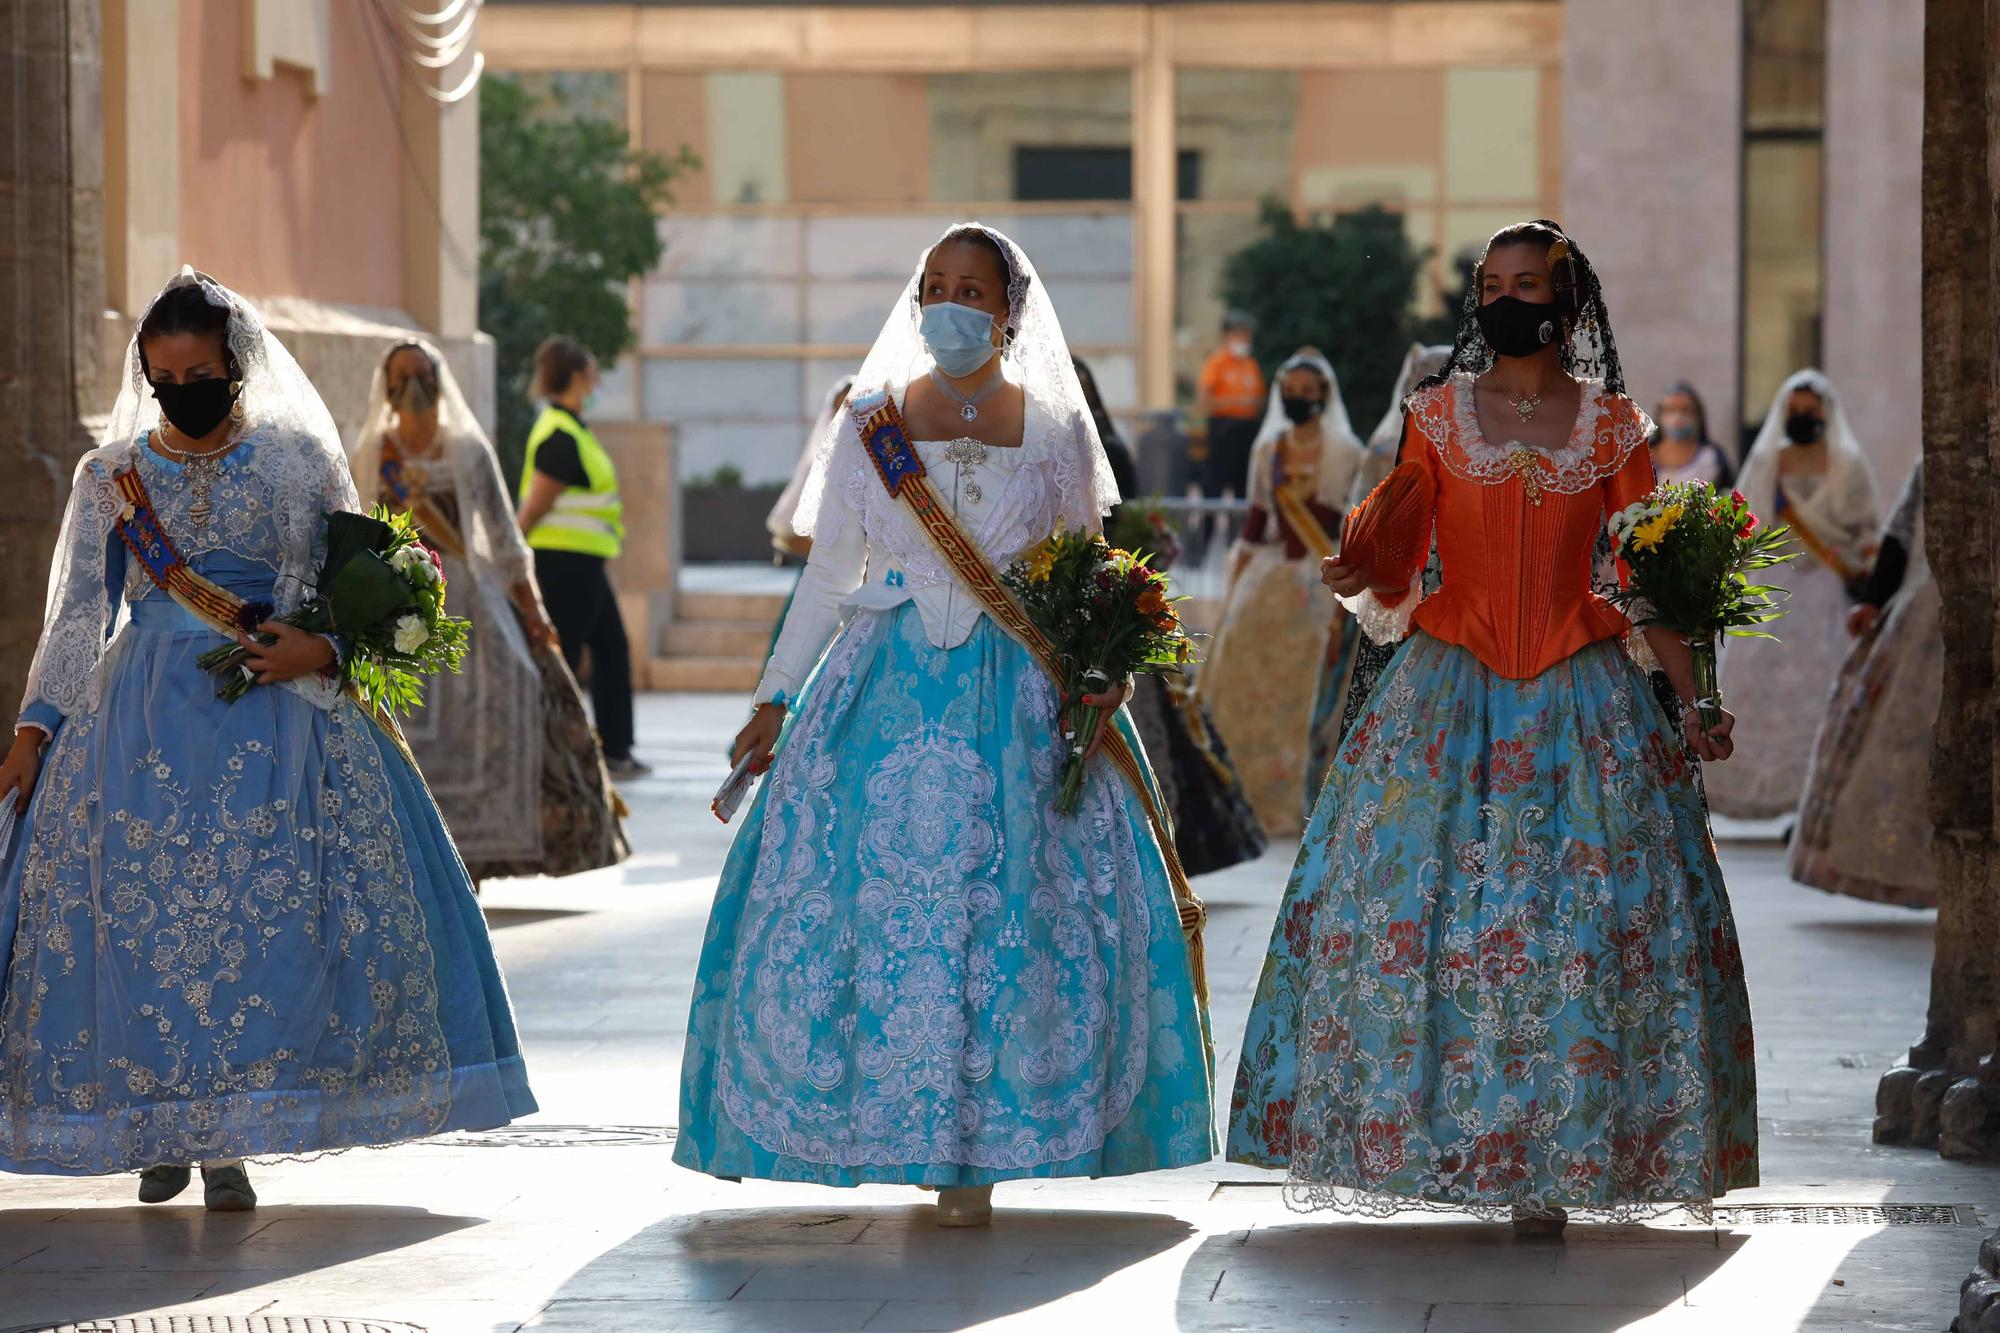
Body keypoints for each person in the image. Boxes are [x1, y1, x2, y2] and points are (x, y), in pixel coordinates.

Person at [674, 224, 1214, 1227]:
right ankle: (904, 1126)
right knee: (869, 908)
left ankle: (982, 1144)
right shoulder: (870, 422)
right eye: (934, 285)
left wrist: (1098, 671)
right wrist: (774, 693)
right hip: (881, 687)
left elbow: (1080, 569)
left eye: (971, 287)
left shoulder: (1052, 429)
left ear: (1009, 309)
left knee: (1012, 907)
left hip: (1018, 693)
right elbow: (828, 573)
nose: (950, 303)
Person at [1228, 221, 1757, 1235]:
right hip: (1444, 692)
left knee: (1584, 933)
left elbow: (1648, 578)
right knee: (1422, 922)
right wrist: (1357, 560)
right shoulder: (1433, 417)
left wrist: (1696, 703)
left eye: (1530, 282)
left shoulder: (1614, 430)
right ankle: (1451, 1147)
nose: (1510, 297)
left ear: (1567, 299)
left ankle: (1557, 1155)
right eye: (1493, 284)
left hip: (1586, 697)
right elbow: (1393, 549)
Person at [0, 270, 535, 1208]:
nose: (180, 391)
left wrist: (321, 646)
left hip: (275, 712)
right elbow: (79, 612)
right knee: (143, 925)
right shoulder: (108, 476)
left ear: (236, 365)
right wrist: (36, 727)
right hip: (138, 727)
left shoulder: (293, 458)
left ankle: (230, 1135)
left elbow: (351, 574)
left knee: (260, 928)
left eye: (198, 370)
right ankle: (159, 1129)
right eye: (162, 377)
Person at [350, 339, 629, 881]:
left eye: (423, 373)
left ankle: (476, 857)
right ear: (385, 386)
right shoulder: (370, 452)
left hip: (466, 606)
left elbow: (503, 539)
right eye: (401, 375)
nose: (413, 385)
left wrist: (534, 611)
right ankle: (410, 853)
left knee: (496, 713)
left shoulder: (466, 450)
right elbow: (357, 531)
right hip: (394, 611)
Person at [1074, 354, 1267, 878]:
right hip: (1073, 593)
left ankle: (1161, 844)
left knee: (1151, 722)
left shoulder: (1108, 448)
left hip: (1112, 593)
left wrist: (1138, 553)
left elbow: (1126, 516)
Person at [1196, 348, 1366, 835]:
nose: (1297, 400)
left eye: (1307, 394)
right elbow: (1254, 521)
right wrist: (1235, 586)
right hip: (1269, 576)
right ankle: (1242, 799)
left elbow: (1353, 520)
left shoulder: (1347, 452)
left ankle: (1311, 795)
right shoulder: (1267, 450)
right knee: (1243, 672)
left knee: (1313, 682)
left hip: (1322, 579)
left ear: (1324, 396)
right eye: (1290, 393)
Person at [1704, 370, 1880, 822]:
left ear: (1825, 412)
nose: (1803, 416)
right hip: (1774, 585)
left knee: (1826, 682)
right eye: (1795, 410)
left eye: (1810, 409)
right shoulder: (1769, 462)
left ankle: (1822, 794)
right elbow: (1749, 520)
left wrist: (1864, 559)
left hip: (1826, 585)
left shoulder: (1847, 463)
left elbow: (1865, 527)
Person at [1789, 461, 1938, 907]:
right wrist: (1873, 602)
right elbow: (1901, 536)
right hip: (1928, 612)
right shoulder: (1932, 464)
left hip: (1931, 611)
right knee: (1904, 743)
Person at [516, 337, 648, 780]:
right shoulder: (559, 434)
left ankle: (614, 750)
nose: (597, 382)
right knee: (566, 656)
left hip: (585, 562)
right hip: (563, 564)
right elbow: (534, 508)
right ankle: (554, 753)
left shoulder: (571, 427)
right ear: (575, 378)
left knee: (612, 651)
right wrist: (511, 558)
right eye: (592, 373)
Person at [1195, 311, 1266, 551]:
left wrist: (1246, 405)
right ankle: (1201, 546)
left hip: (1246, 431)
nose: (1244, 339)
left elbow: (1258, 399)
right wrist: (1232, 404)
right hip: (1223, 429)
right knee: (1214, 487)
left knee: (1242, 487)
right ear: (1227, 335)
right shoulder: (1217, 362)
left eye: (1247, 334)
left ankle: (1237, 545)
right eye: (1240, 333)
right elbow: (1205, 399)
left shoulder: (1250, 365)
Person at [1650, 382, 1735, 487]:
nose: (1677, 417)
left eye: (1685, 410)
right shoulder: (1645, 456)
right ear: (1659, 415)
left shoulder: (1711, 459)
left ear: (1698, 415)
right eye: (1670, 410)